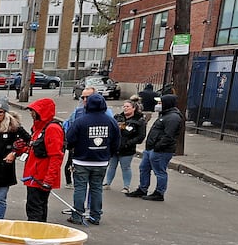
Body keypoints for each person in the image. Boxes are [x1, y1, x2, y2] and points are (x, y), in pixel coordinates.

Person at [66, 93, 121, 225]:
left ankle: (77, 215)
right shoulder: (111, 121)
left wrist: (73, 149)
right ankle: (95, 216)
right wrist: (109, 153)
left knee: (80, 188)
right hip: (101, 160)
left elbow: (70, 139)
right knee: (96, 188)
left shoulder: (81, 121)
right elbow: (116, 141)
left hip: (81, 160)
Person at [130, 93, 183, 201]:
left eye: (160, 103)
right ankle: (142, 189)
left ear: (166, 104)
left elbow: (169, 136)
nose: (158, 105)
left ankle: (159, 192)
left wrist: (157, 147)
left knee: (159, 171)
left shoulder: (173, 117)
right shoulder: (164, 115)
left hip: (161, 151)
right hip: (151, 149)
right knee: (143, 168)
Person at [21, 97, 66, 223]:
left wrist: (49, 180)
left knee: (35, 209)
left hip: (40, 177)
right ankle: (37, 235)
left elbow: (56, 156)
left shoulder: (52, 129)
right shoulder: (38, 128)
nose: (31, 113)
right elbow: (33, 149)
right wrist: (21, 149)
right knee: (36, 207)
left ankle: (36, 236)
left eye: (33, 111)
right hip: (33, 176)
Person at [105, 98, 148, 193]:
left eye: (127, 106)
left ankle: (126, 186)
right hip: (115, 147)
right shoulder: (118, 117)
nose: (125, 108)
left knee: (125, 167)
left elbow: (140, 136)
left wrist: (128, 143)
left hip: (127, 149)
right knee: (111, 166)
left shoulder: (139, 121)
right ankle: (107, 183)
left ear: (133, 108)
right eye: (124, 106)